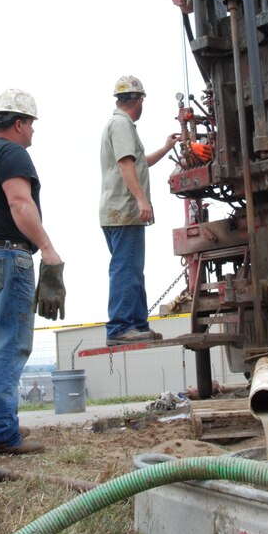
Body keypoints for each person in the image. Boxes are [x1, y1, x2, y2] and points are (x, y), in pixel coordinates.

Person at [0, 88, 66, 455]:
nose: (33, 131)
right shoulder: (12, 153)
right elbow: (20, 204)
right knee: (9, 347)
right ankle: (1, 434)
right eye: (31, 124)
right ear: (18, 123)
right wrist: (49, 252)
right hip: (6, 257)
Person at [100, 75, 179, 346]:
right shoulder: (121, 125)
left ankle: (136, 325)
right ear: (139, 100)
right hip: (124, 211)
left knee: (132, 268)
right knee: (125, 269)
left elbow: (138, 162)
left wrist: (167, 148)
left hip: (119, 212)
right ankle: (120, 327)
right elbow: (125, 164)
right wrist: (142, 200)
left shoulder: (122, 126)